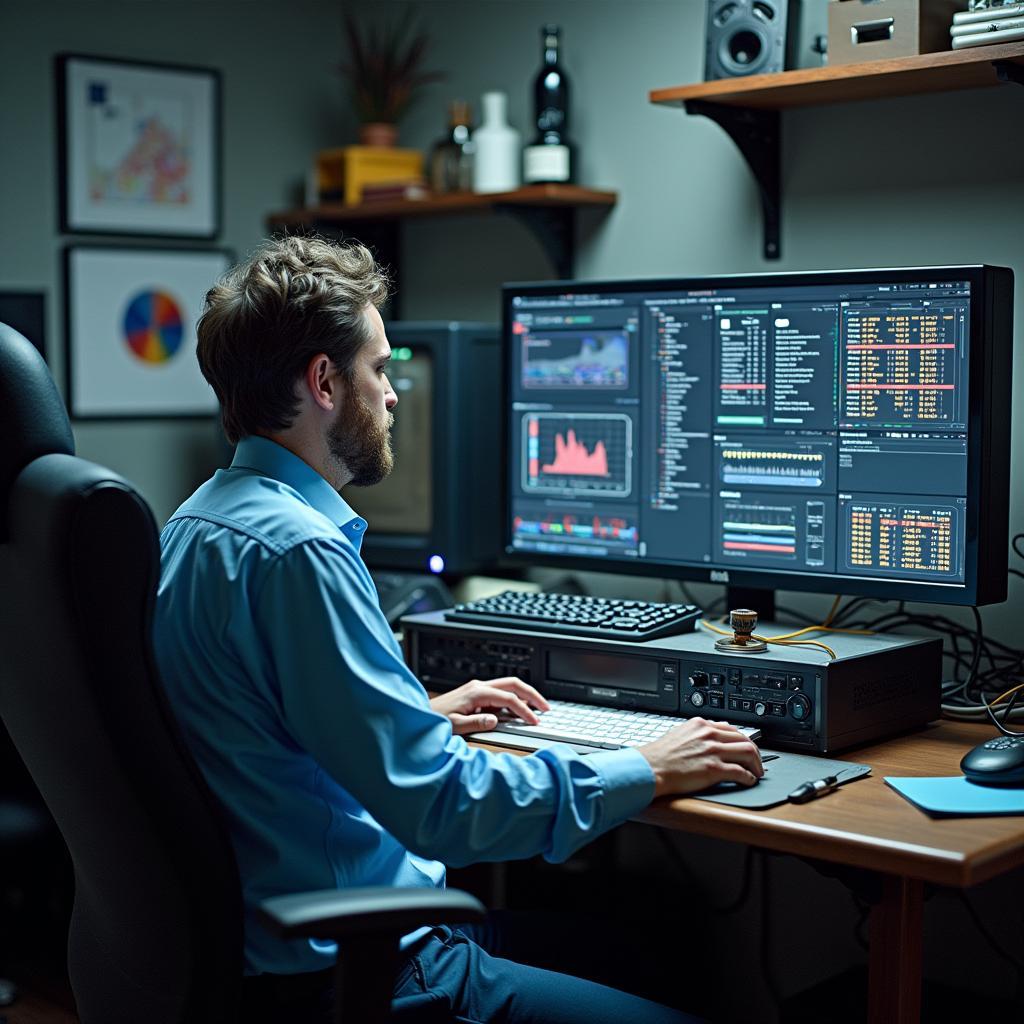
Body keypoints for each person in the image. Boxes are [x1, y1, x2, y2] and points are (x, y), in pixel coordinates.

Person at [153, 236, 763, 1023]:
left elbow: (250, 733)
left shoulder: (197, 525)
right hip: (366, 974)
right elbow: (444, 808)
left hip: (255, 955)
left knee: (638, 955)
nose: (394, 393)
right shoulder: (298, 553)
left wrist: (418, 719)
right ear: (325, 382)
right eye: (381, 369)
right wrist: (649, 767)